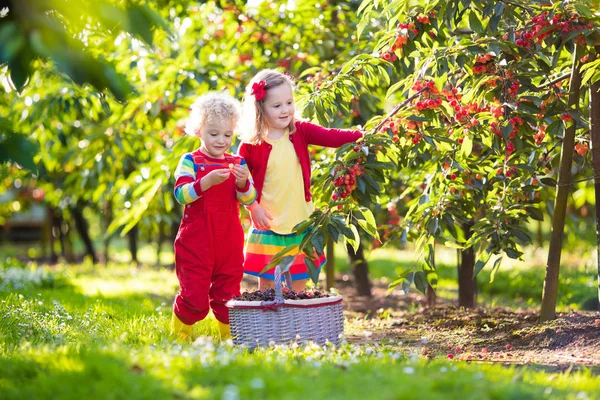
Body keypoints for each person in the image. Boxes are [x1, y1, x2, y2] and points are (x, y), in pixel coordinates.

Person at [238, 69, 362, 293]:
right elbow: (239, 180)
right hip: (268, 220)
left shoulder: (300, 130)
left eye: (289, 102)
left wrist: (362, 136)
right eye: (277, 106)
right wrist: (252, 206)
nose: (285, 110)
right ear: (260, 108)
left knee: (298, 282)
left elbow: (331, 136)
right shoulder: (251, 143)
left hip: (300, 219)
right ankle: (271, 324)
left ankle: (298, 325)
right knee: (267, 283)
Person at [170, 92, 257, 342]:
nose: (221, 140)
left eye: (227, 135)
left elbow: (249, 199)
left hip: (228, 240)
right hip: (196, 240)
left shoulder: (237, 161)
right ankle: (180, 336)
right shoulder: (190, 161)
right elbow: (181, 194)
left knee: (228, 293)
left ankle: (229, 338)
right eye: (214, 134)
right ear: (199, 130)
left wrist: (243, 183)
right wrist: (204, 182)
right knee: (195, 295)